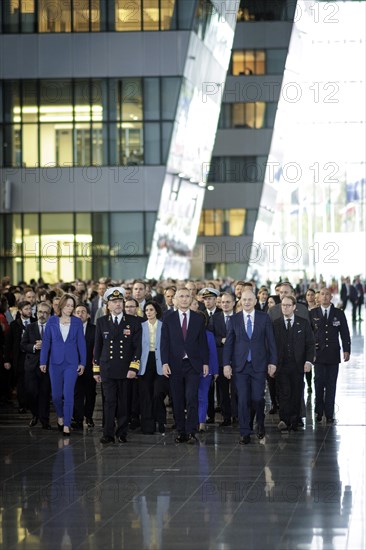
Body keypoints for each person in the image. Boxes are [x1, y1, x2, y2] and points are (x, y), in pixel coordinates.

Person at [223, 289, 277, 445]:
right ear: (240, 301)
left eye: (249, 299)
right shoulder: (234, 320)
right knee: (243, 399)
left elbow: (271, 342)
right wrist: (226, 364)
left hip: (259, 365)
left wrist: (273, 362)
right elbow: (229, 344)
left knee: (257, 398)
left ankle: (260, 423)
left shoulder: (264, 318)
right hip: (240, 367)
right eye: (244, 299)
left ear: (255, 301)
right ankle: (244, 432)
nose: (246, 302)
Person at [93, 287, 142, 444]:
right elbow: (97, 346)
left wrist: (133, 367)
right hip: (107, 368)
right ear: (108, 305)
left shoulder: (133, 321)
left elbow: (137, 347)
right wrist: (96, 369)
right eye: (114, 302)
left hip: (125, 369)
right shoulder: (101, 322)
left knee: (123, 403)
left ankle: (122, 432)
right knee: (109, 402)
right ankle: (108, 433)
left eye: (120, 301)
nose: (118, 304)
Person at [161, 288, 209, 444]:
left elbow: (203, 343)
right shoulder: (168, 318)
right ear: (175, 299)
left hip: (193, 364)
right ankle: (181, 431)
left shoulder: (198, 318)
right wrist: (164, 362)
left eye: (187, 296)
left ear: (191, 299)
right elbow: (164, 342)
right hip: (174, 364)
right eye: (180, 296)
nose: (184, 299)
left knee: (191, 398)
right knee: (177, 399)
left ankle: (191, 432)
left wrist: (206, 362)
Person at [40, 294, 86, 436]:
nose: (70, 308)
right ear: (61, 306)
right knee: (56, 396)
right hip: (55, 363)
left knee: (68, 394)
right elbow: (46, 343)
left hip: (71, 363)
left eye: (72, 306)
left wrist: (82, 362)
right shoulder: (52, 321)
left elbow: (81, 344)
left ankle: (66, 424)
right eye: (67, 305)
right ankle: (60, 415)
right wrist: (43, 361)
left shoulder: (77, 322)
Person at [273, 296, 315, 432]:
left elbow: (310, 344)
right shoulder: (276, 324)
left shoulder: (303, 323)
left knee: (297, 392)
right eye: (283, 305)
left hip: (298, 365)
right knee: (284, 392)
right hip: (281, 365)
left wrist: (308, 362)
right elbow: (271, 346)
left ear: (294, 307)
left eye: (288, 305)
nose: (285, 307)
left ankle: (295, 419)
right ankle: (284, 420)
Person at [310, 287, 351, 424]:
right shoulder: (313, 313)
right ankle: (318, 411)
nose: (325, 296)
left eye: (328, 294)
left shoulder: (338, 313)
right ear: (319, 297)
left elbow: (345, 332)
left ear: (331, 297)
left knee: (331, 384)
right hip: (318, 354)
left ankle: (329, 413)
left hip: (333, 354)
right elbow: (309, 335)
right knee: (319, 383)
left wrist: (347, 350)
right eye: (322, 294)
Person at [21, 301, 52, 429]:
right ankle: (35, 414)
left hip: (48, 366)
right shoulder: (30, 327)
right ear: (36, 312)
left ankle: (45, 420)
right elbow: (23, 345)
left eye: (45, 312)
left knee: (45, 394)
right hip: (32, 366)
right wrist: (34, 346)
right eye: (40, 312)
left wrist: (47, 346)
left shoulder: (53, 328)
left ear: (50, 315)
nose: (42, 315)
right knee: (31, 392)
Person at [139, 301, 169, 434]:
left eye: (151, 310)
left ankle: (161, 421)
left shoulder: (164, 326)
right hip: (145, 363)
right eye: (146, 310)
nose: (148, 312)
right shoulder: (141, 326)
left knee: (158, 394)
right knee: (146, 395)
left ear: (156, 311)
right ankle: (148, 425)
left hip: (160, 363)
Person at [209, 292, 237, 426]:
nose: (225, 304)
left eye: (227, 302)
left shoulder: (239, 318)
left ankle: (237, 415)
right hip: (220, 359)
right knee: (223, 390)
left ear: (234, 303)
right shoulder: (215, 318)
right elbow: (209, 337)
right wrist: (221, 340)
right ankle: (226, 417)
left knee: (237, 390)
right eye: (222, 302)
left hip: (237, 359)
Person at [4, 300, 36, 414]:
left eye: (30, 309)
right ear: (20, 310)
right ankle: (22, 404)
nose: (29, 311)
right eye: (26, 309)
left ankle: (31, 403)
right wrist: (7, 360)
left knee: (31, 381)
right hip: (20, 357)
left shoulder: (35, 322)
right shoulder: (14, 325)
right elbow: (8, 344)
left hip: (32, 356)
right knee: (21, 382)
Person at [72, 303, 96, 429]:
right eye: (78, 312)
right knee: (76, 393)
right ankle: (78, 418)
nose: (80, 314)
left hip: (90, 367)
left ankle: (89, 416)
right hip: (73, 367)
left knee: (90, 393)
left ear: (88, 315)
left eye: (83, 311)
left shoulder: (95, 329)